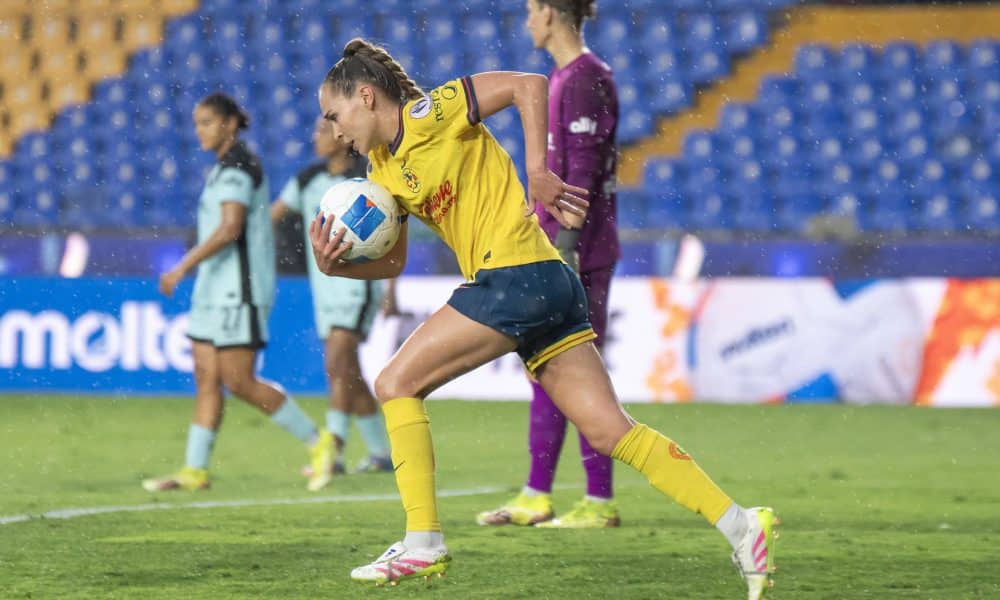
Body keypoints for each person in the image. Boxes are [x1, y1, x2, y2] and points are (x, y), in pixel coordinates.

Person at [310, 39, 777, 599]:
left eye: (335, 116)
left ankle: (422, 543)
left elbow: (529, 84)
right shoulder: (384, 171)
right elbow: (394, 259)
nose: (336, 133)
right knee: (609, 431)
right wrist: (336, 268)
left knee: (394, 382)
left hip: (512, 276)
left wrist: (538, 171)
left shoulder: (429, 112)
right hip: (548, 284)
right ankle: (742, 526)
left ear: (365, 96)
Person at [477, 0, 622, 530]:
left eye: (531, 10)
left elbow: (581, 170)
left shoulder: (584, 78)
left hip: (577, 252)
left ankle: (599, 500)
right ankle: (538, 494)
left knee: (580, 377)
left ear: (550, 15)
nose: (526, 21)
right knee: (547, 373)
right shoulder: (569, 77)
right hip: (560, 246)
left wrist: (566, 245)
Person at [144, 92, 336, 494]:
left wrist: (182, 266)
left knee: (239, 381)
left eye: (208, 122)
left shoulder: (239, 167)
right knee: (206, 377)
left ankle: (320, 442)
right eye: (197, 122)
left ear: (229, 124)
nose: (200, 130)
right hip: (214, 289)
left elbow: (231, 227)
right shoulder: (222, 168)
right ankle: (194, 470)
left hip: (239, 292)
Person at [271, 116, 393, 476]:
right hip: (325, 286)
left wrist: (391, 287)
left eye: (323, 130)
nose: (316, 136)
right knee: (349, 373)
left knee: (337, 364)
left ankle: (333, 451)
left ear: (344, 137)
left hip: (358, 285)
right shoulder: (308, 180)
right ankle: (381, 453)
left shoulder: (365, 181)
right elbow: (272, 216)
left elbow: (389, 234)